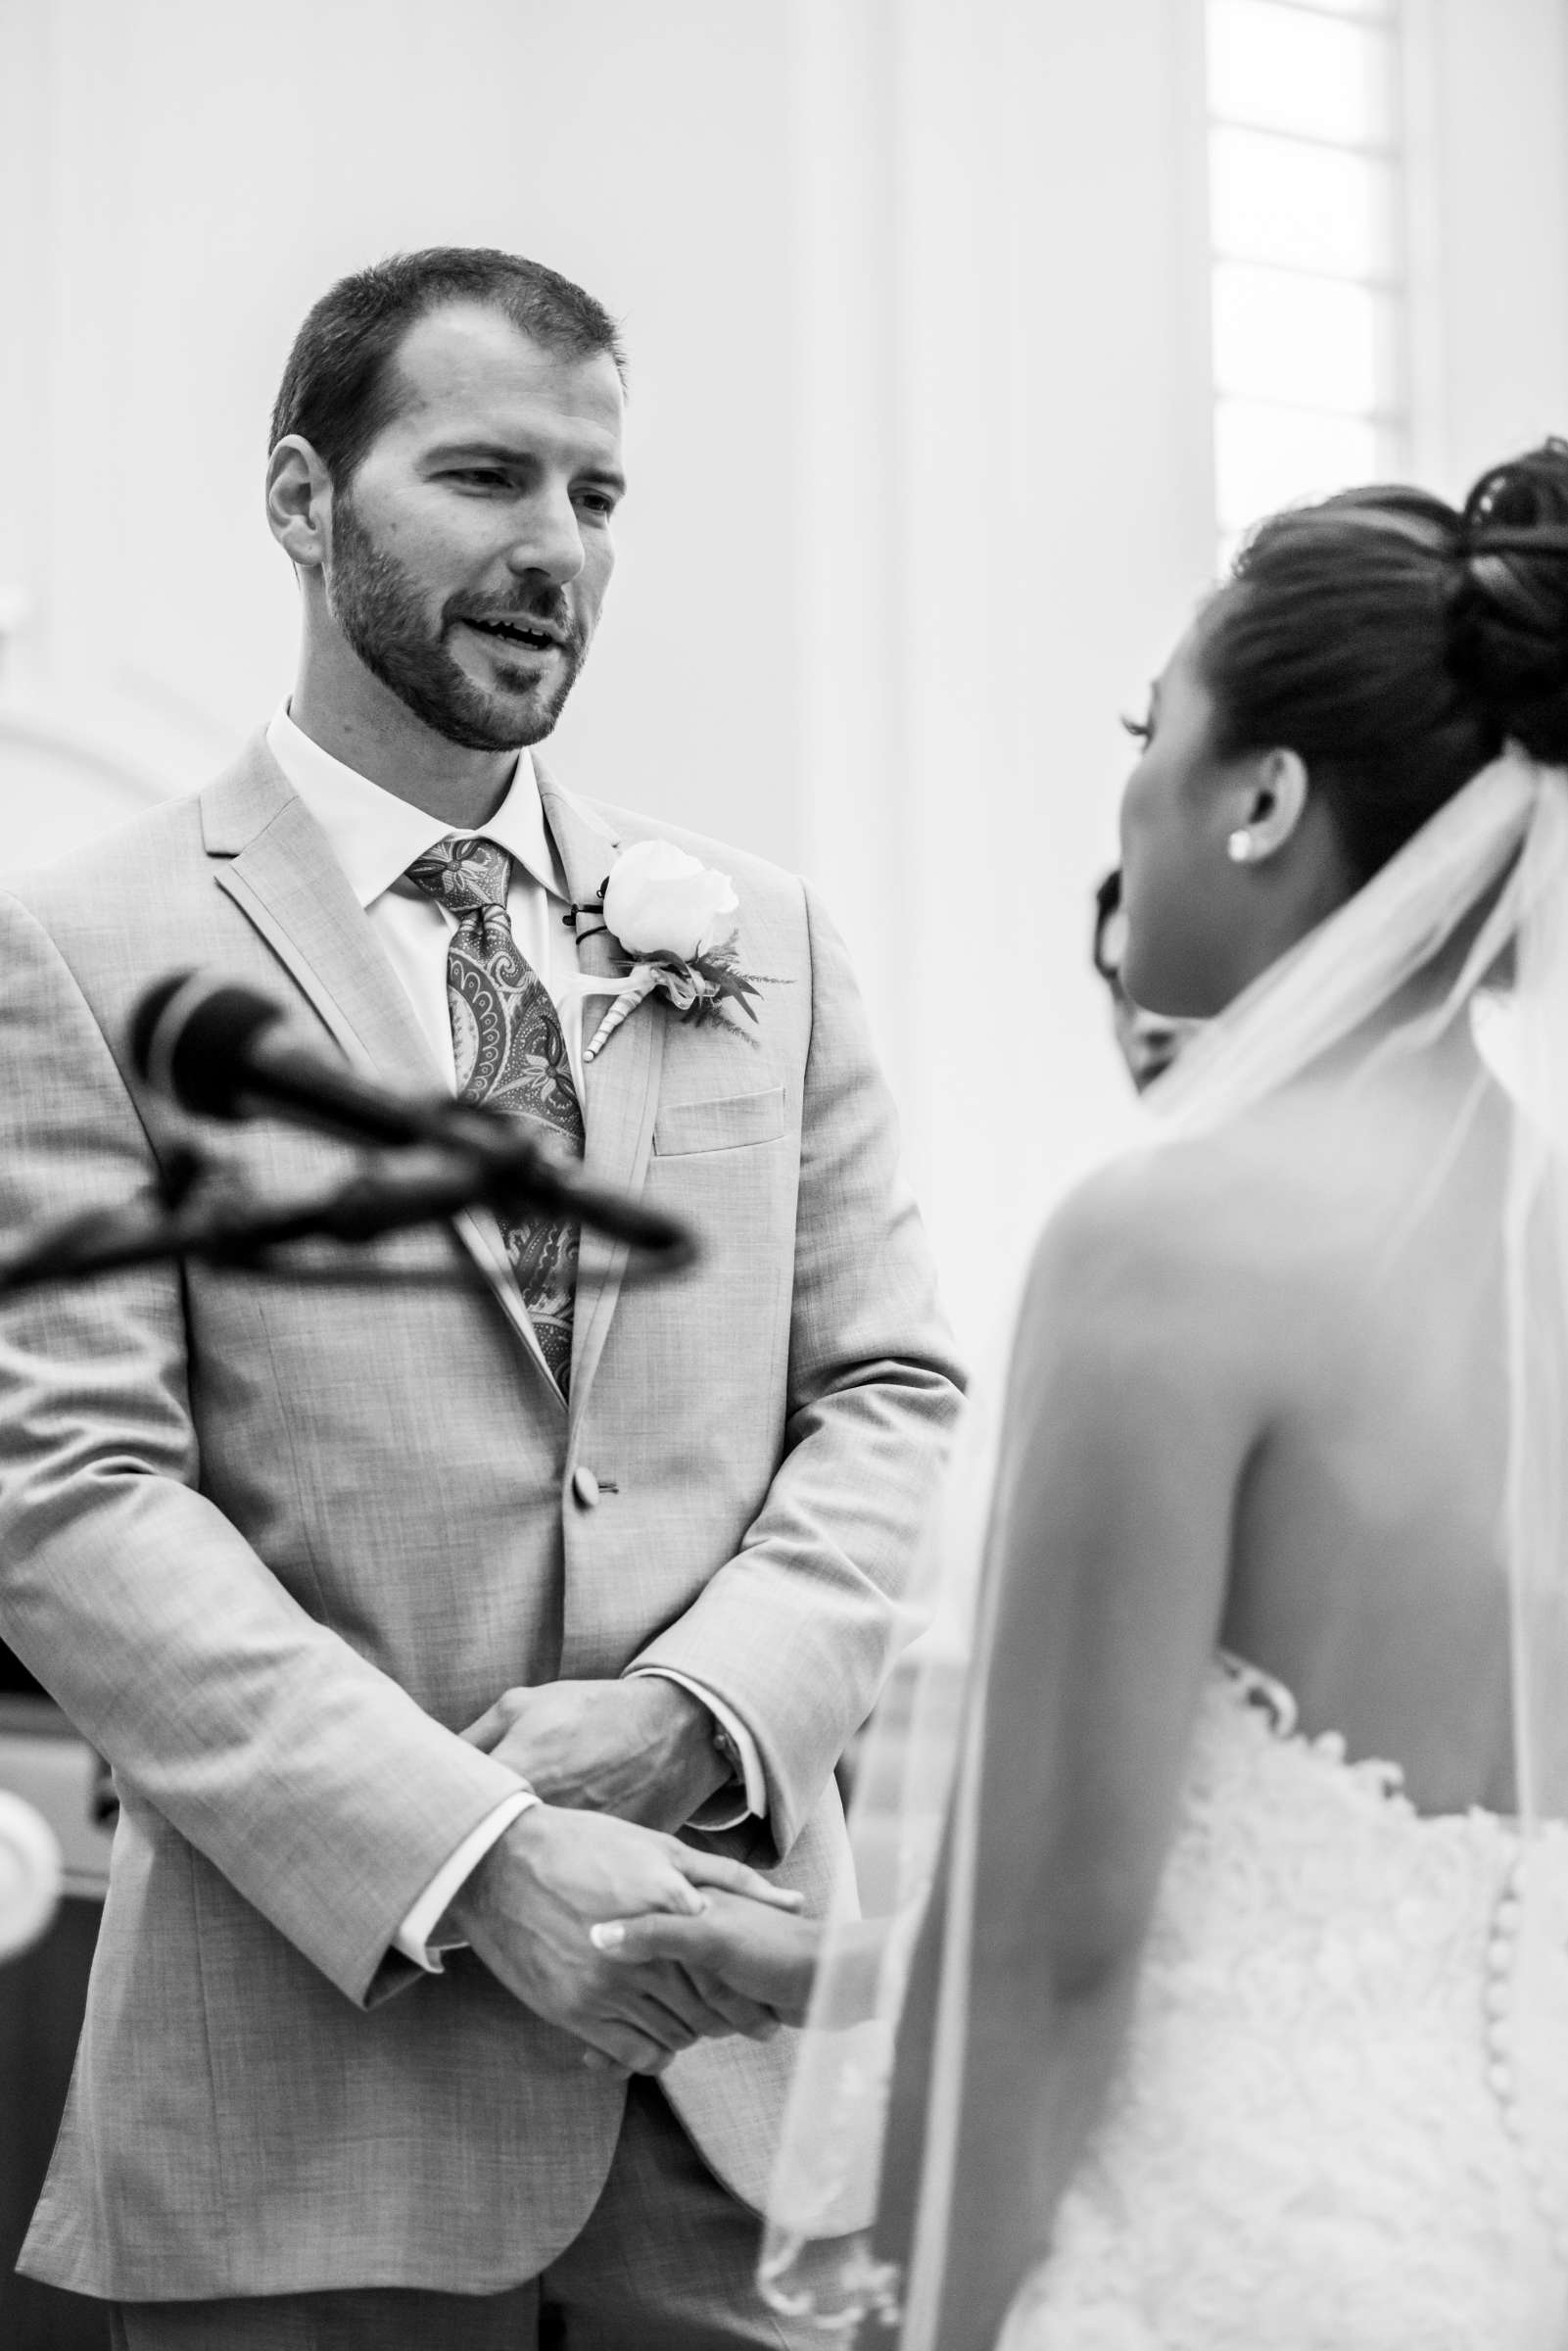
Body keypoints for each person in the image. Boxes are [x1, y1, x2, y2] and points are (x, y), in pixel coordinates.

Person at [0, 246, 964, 2348]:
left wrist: (693, 1716)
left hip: (733, 2089)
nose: (555, 551)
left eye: (597, 496)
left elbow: (887, 1383)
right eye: (484, 476)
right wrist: (475, 1852)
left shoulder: (766, 942)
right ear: (300, 498)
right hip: (304, 2108)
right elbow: (69, 1496)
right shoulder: (81, 952)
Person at [601, 446, 1568, 2346]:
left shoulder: (1174, 1236)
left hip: (1208, 2263)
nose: (1126, 790)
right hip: (1489, 2231)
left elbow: (1057, 1950)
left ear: (1265, 796)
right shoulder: (1546, 1236)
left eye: (1156, 729)